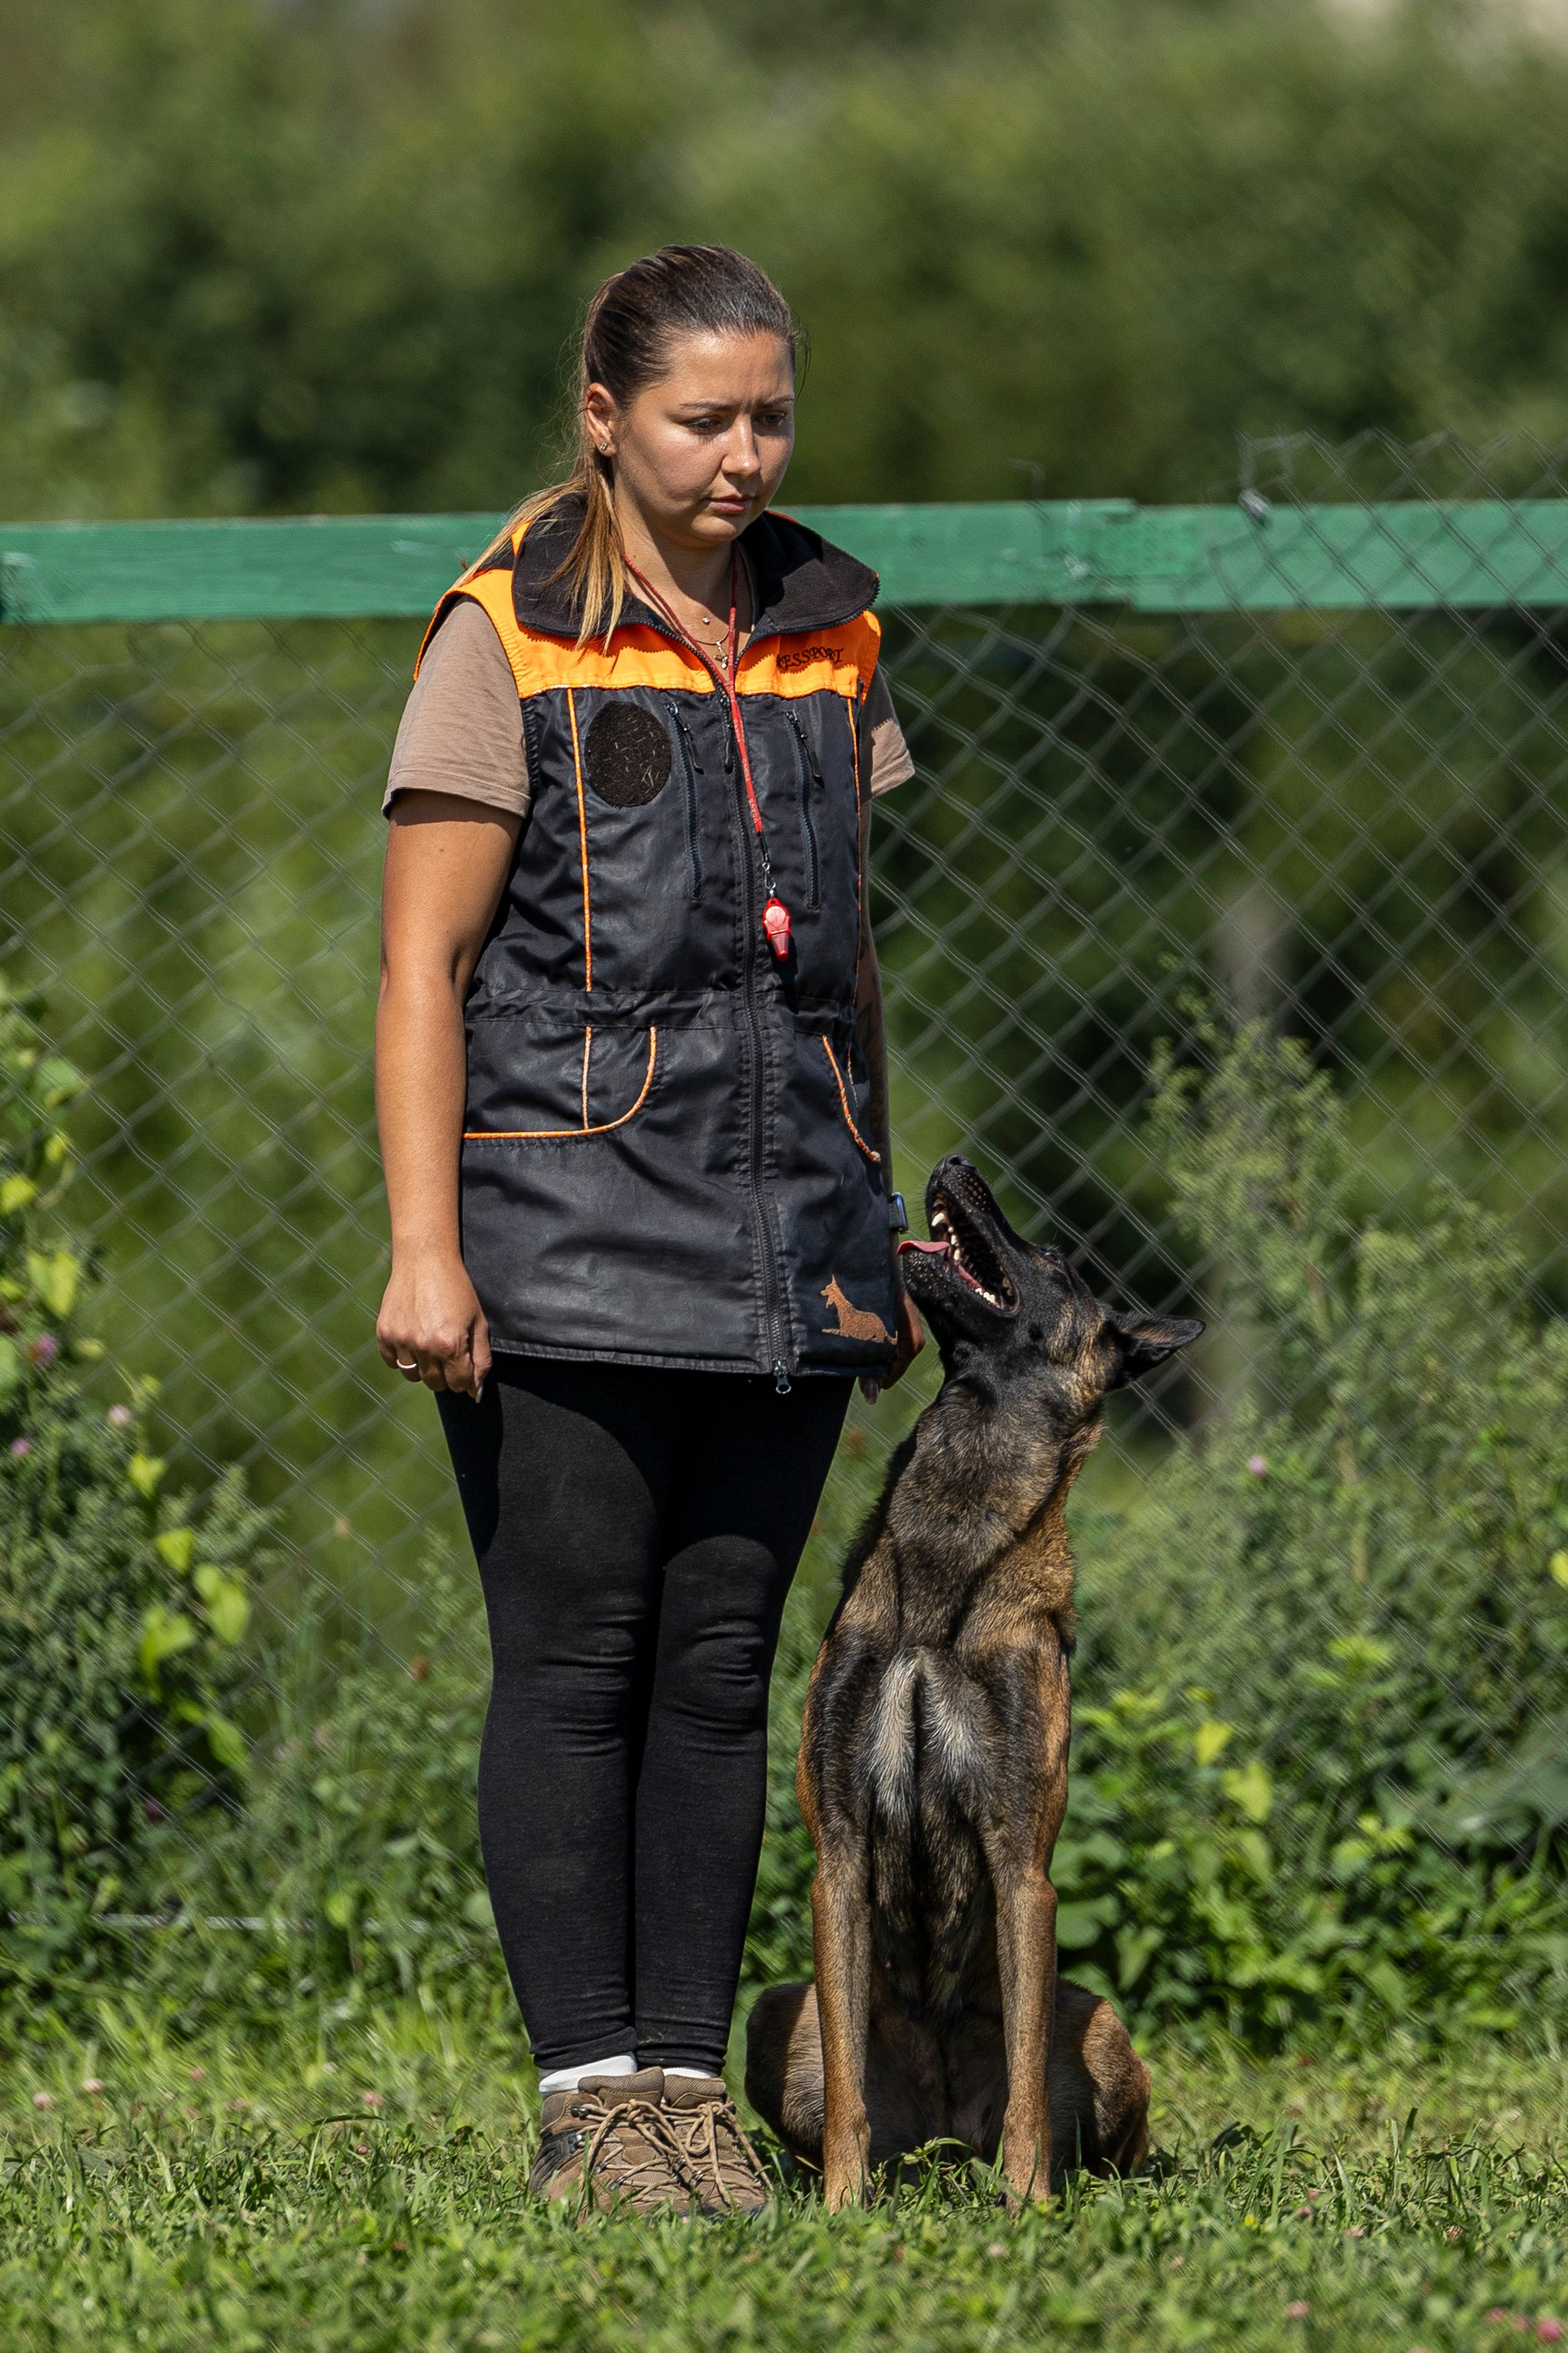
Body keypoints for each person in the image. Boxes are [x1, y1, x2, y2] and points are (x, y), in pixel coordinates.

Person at [375, 244, 922, 2216]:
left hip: (793, 1231)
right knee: (578, 1656)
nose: (744, 456)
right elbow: (422, 969)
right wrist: (426, 1245)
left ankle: (690, 2093)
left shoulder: (833, 629)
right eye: (705, 419)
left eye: (771, 415)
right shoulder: (501, 634)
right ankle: (588, 2099)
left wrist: (873, 1206)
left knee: (720, 1661)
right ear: (603, 416)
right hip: (563, 1219)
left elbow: (845, 967)